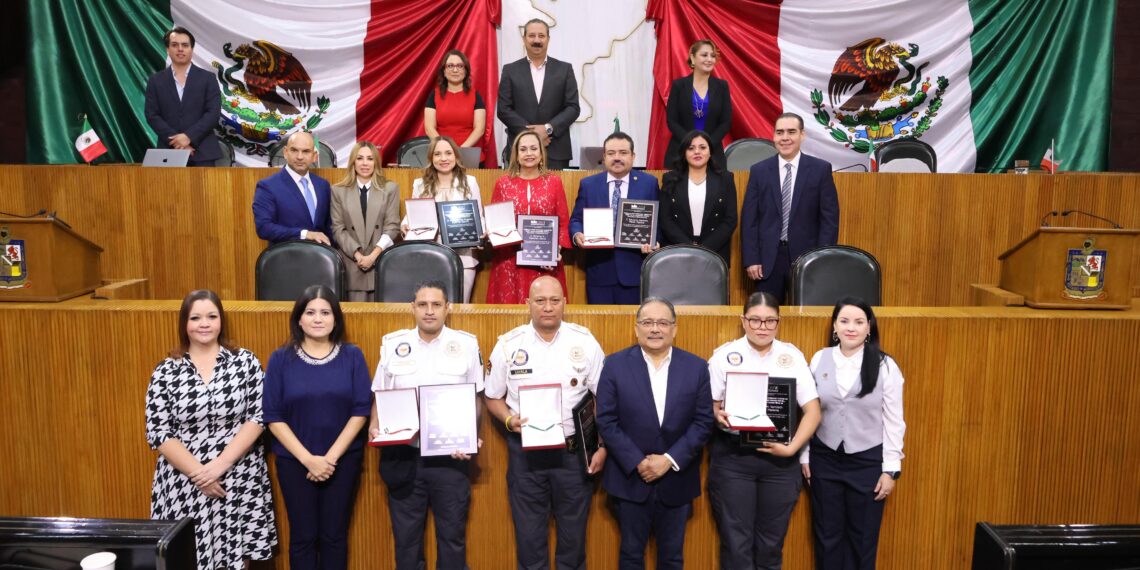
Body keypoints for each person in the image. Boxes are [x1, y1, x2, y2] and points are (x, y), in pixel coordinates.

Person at [145, 289, 277, 569]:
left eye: (211, 316)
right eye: (195, 318)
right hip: (184, 479)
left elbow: (259, 416)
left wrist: (219, 465)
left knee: (235, 556)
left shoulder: (245, 362)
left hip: (237, 474)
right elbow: (159, 431)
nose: (204, 324)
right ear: (184, 324)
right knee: (189, 556)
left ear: (221, 321)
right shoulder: (166, 370)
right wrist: (199, 474)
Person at [483, 275, 607, 570]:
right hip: (526, 457)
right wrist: (510, 419)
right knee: (529, 539)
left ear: (565, 303)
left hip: (573, 454)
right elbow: (492, 397)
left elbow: (604, 398)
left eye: (554, 300)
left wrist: (601, 445)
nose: (548, 307)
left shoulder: (585, 342)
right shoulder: (508, 346)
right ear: (527, 304)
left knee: (573, 540)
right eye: (540, 301)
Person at [370, 280, 484, 570]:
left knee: (452, 540)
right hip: (404, 457)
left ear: (448, 308)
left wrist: (469, 436)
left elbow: (476, 398)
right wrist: (375, 426)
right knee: (407, 543)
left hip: (450, 459)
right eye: (422, 305)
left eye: (436, 305)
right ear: (413, 308)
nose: (429, 311)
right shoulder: (393, 344)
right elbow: (380, 396)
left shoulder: (467, 344)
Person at [595, 297, 714, 570]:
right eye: (647, 322)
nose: (655, 329)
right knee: (630, 556)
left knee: (672, 558)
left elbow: (703, 422)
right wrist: (639, 461)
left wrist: (668, 460)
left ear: (674, 328)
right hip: (630, 478)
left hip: (677, 478)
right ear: (636, 328)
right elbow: (607, 420)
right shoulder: (614, 365)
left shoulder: (696, 368)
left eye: (662, 322)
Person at [707, 291, 822, 569]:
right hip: (735, 459)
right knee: (737, 544)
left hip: (780, 463)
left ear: (778, 322)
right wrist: (718, 416)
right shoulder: (724, 356)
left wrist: (793, 449)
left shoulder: (791, 357)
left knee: (771, 544)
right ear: (743, 321)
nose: (763, 328)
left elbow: (813, 411)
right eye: (756, 321)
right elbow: (710, 407)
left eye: (770, 321)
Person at [263, 285, 371, 570]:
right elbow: (273, 416)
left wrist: (330, 459)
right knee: (303, 537)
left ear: (336, 318)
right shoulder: (280, 359)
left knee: (334, 536)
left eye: (325, 312)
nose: (318, 318)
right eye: (310, 312)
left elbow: (361, 410)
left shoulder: (353, 356)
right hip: (294, 462)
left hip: (343, 461)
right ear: (299, 318)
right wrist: (308, 459)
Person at [803, 297, 905, 570]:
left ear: (869, 327)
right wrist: (805, 457)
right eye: (844, 321)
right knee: (827, 536)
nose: (851, 327)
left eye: (859, 322)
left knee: (863, 539)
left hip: (868, 462)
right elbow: (808, 413)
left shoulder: (885, 365)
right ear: (834, 326)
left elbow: (894, 421)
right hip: (825, 459)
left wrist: (891, 470)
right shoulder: (818, 359)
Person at [740, 112, 839, 302]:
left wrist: (821, 260)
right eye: (780, 132)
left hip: (807, 259)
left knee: (804, 320)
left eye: (791, 132)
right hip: (768, 261)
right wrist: (752, 259)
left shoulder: (820, 169)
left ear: (802, 135)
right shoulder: (759, 171)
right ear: (774, 136)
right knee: (765, 315)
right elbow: (749, 220)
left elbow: (829, 220)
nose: (785, 138)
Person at [568, 132, 660, 304]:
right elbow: (576, 220)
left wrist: (656, 242)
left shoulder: (649, 183)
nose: (617, 158)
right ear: (603, 157)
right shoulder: (588, 185)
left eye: (623, 153)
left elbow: (657, 222)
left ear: (633, 156)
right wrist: (577, 234)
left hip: (635, 272)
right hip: (599, 272)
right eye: (611, 153)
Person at [486, 131, 571, 304]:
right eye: (523, 149)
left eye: (533, 148)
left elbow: (563, 223)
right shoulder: (503, 184)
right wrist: (492, 233)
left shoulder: (554, 182)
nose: (529, 153)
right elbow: (496, 223)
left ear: (541, 154)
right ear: (516, 155)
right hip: (510, 262)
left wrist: (555, 252)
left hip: (545, 263)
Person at [401, 136, 485, 302]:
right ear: (431, 158)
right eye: (438, 154)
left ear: (456, 156)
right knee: (433, 306)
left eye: (448, 153)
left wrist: (480, 235)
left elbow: (478, 217)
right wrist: (404, 225)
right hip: (431, 255)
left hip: (464, 257)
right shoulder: (420, 184)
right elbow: (412, 215)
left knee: (460, 307)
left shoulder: (470, 182)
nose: (444, 158)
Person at [497, 19, 580, 170]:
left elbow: (573, 107)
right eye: (532, 35)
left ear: (548, 39)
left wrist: (548, 128)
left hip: (556, 150)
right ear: (524, 38)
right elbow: (503, 109)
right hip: (520, 150)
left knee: (555, 193)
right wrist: (530, 134)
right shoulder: (510, 70)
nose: (536, 40)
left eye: (541, 36)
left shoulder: (564, 69)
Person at [330, 141, 400, 301]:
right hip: (351, 264)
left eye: (370, 158)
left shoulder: (390, 188)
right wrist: (358, 255)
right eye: (360, 158)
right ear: (353, 162)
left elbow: (392, 227)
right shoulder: (338, 190)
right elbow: (338, 228)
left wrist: (373, 256)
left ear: (376, 162)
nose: (365, 163)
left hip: (381, 262)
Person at [658, 129, 738, 267]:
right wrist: (689, 247)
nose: (697, 152)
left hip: (715, 253)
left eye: (702, 147)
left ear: (710, 151)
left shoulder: (726, 179)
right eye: (691, 148)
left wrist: (704, 249)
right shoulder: (670, 179)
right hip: (678, 251)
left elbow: (730, 220)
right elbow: (665, 219)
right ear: (684, 152)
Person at [143, 27, 222, 166]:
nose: (180, 49)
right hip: (168, 153)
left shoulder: (208, 78)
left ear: (192, 49)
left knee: (204, 189)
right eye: (174, 45)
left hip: (203, 153)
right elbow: (152, 115)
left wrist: (188, 137)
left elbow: (213, 114)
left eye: (185, 45)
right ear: (167, 49)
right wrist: (178, 143)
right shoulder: (155, 80)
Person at [252, 131, 334, 246]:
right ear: (285, 152)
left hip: (321, 259)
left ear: (314, 156)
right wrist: (305, 234)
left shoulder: (323, 185)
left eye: (306, 151)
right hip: (286, 259)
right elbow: (264, 228)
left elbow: (329, 227)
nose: (299, 157)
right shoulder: (268, 186)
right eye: (294, 150)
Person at [664, 39, 732, 171]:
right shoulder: (679, 85)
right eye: (704, 55)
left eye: (713, 56)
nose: (709, 59)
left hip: (713, 155)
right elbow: (672, 120)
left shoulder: (722, 86)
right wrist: (690, 143)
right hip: (680, 152)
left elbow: (726, 122)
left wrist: (706, 145)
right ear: (693, 58)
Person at [424, 50, 488, 163]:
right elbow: (429, 128)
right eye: (450, 66)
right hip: (441, 156)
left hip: (469, 155)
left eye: (460, 66)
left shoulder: (475, 95)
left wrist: (460, 151)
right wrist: (445, 150)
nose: (455, 70)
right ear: (444, 71)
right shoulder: (434, 95)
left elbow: (480, 129)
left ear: (466, 70)